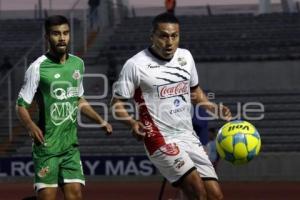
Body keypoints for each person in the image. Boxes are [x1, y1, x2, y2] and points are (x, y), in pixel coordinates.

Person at [111, 12, 231, 200]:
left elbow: (195, 93)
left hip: (188, 136)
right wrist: (132, 122)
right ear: (152, 36)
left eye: (174, 36)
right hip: (159, 138)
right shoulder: (135, 65)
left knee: (215, 195)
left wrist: (213, 108)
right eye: (163, 36)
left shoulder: (186, 57)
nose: (169, 42)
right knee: (197, 191)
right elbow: (116, 105)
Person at [16, 15, 112, 200]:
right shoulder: (37, 68)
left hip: (70, 146)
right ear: (47, 37)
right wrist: (30, 125)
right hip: (47, 146)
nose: (62, 38)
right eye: (56, 33)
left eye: (65, 33)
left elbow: (78, 99)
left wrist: (100, 120)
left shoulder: (78, 64)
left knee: (75, 195)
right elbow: (21, 105)